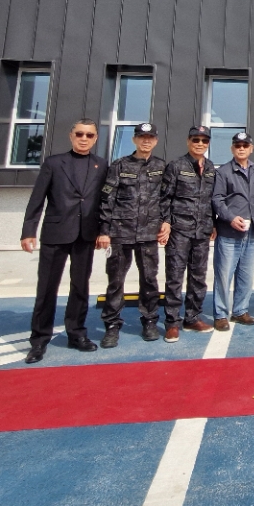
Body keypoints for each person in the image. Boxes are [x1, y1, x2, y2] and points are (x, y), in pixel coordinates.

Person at [20, 119, 110, 363]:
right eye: (79, 134)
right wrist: (28, 231)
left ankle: (76, 333)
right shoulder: (53, 163)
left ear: (95, 138)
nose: (84, 138)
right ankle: (39, 340)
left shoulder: (101, 165)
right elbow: (37, 198)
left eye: (89, 135)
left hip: (85, 235)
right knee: (47, 288)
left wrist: (104, 230)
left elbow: (105, 202)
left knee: (80, 287)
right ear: (71, 136)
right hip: (56, 233)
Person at [97, 122, 166, 347]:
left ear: (155, 141)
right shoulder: (119, 165)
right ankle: (112, 326)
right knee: (116, 281)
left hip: (148, 234)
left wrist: (166, 222)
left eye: (150, 137)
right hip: (120, 233)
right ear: (134, 139)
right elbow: (107, 199)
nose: (146, 141)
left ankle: (149, 321)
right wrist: (104, 231)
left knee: (149, 280)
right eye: (142, 137)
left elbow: (166, 199)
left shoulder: (161, 166)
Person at [158, 125, 217, 341]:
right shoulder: (176, 166)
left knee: (198, 277)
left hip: (202, 231)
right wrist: (165, 222)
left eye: (204, 140)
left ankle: (192, 318)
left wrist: (213, 224)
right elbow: (165, 197)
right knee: (175, 276)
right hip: (180, 230)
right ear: (188, 141)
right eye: (195, 140)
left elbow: (211, 200)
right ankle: (172, 322)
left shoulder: (210, 168)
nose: (200, 144)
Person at [211, 131, 254, 331]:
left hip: (251, 233)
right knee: (224, 276)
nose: (241, 148)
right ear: (232, 148)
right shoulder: (223, 172)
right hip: (228, 233)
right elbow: (217, 199)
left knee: (246, 276)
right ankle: (221, 314)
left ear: (251, 148)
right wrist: (231, 218)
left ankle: (240, 311)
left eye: (245, 145)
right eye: (238, 145)